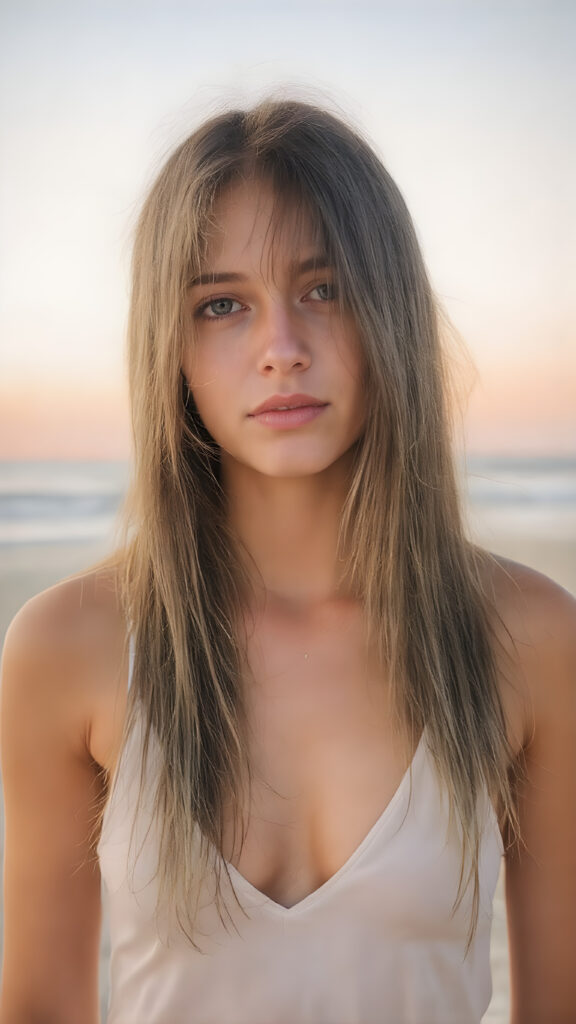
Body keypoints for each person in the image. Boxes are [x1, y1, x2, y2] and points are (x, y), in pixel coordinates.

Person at [0, 99, 574, 1024]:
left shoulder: (531, 637)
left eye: (324, 289)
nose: (281, 352)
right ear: (173, 350)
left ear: (390, 311)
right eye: (223, 305)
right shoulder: (71, 647)